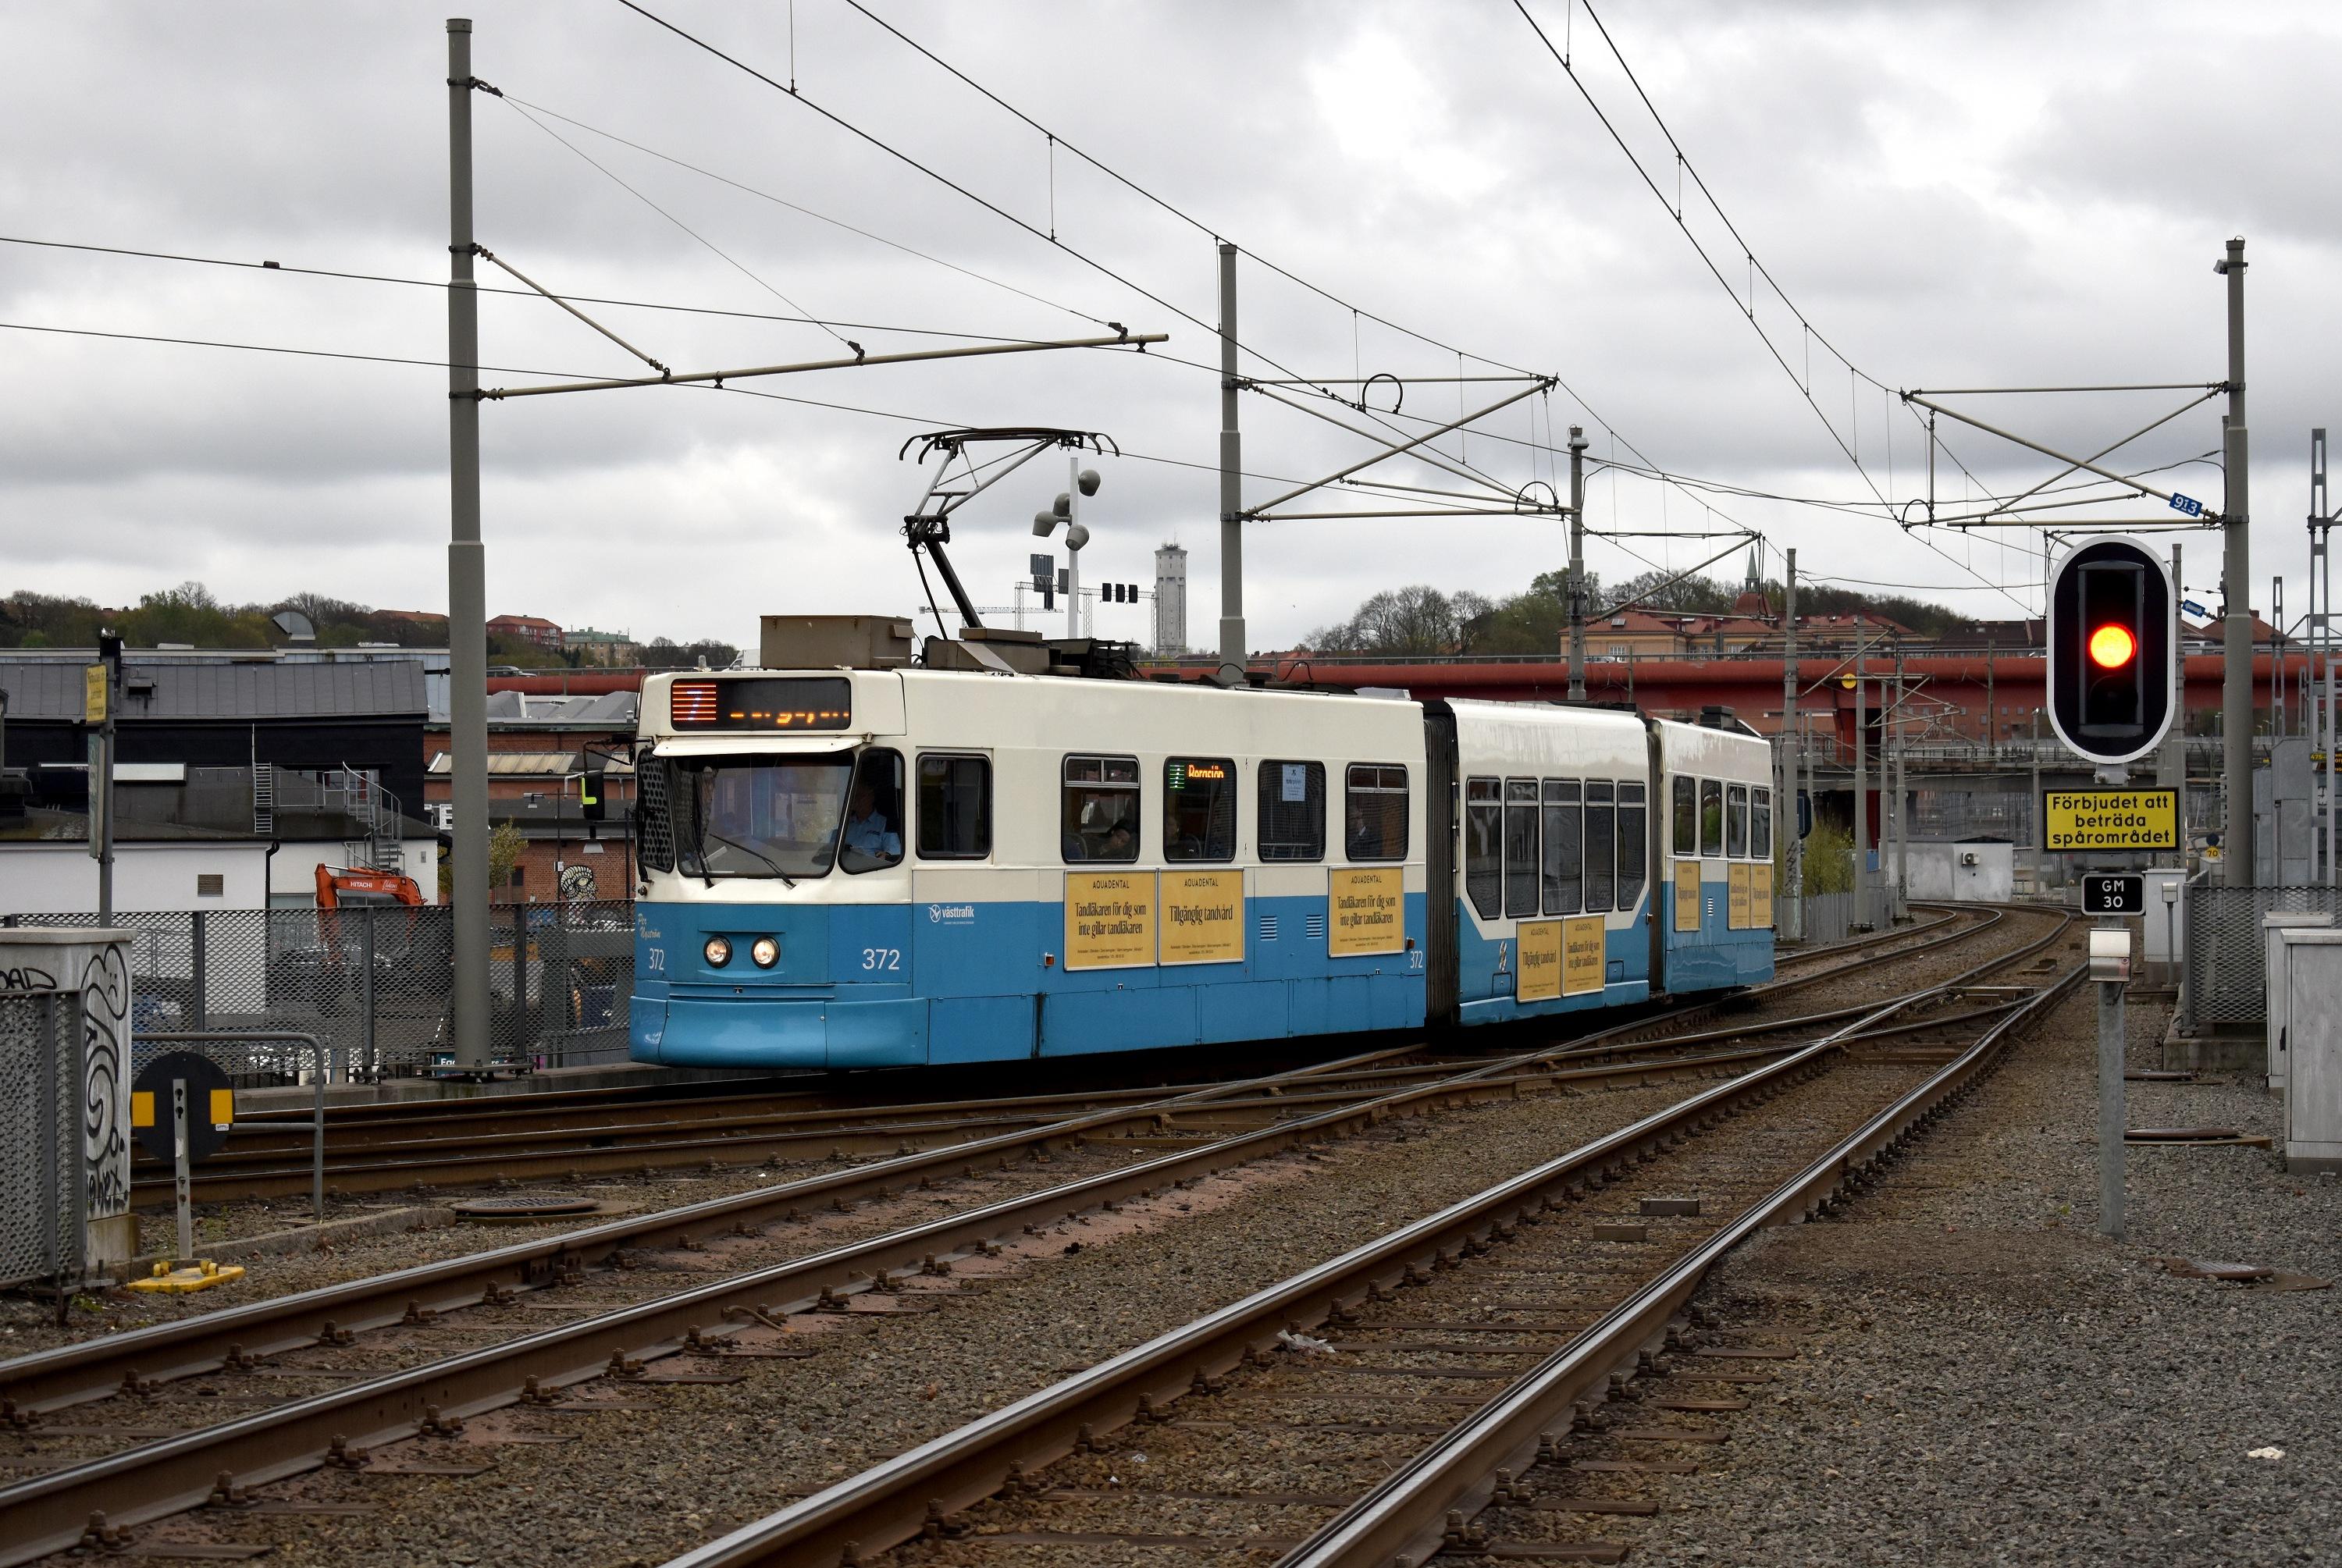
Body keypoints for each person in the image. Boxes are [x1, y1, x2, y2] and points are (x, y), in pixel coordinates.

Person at [841, 780, 902, 863]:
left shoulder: (885, 823)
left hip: (870, 870)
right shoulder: (845, 824)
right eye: (854, 796)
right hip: (844, 868)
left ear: (871, 797)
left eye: (860, 796)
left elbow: (894, 852)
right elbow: (831, 848)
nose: (856, 800)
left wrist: (886, 855)